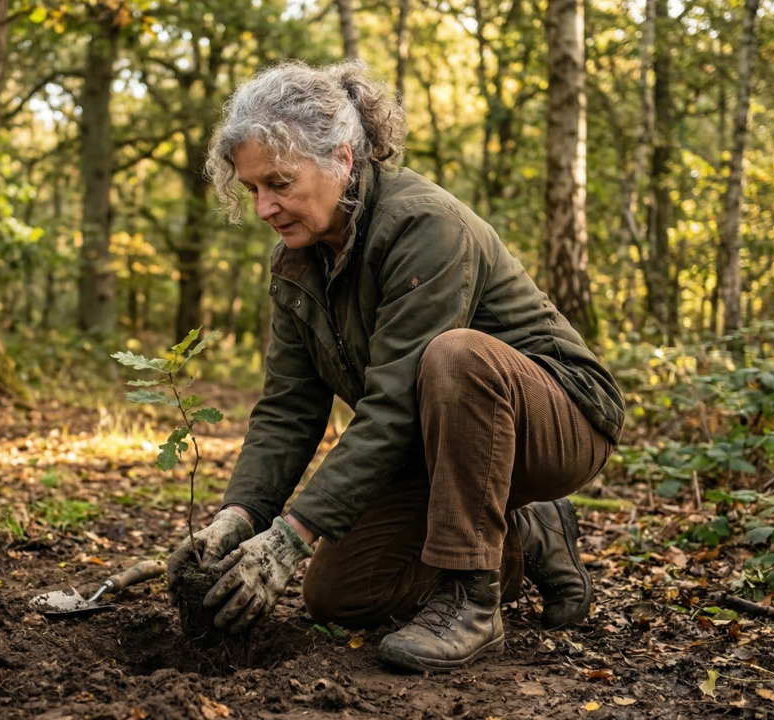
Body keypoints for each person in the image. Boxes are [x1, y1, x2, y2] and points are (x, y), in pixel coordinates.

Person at [166, 60, 624, 673]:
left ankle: (472, 599)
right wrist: (240, 517)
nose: (265, 208)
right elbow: (287, 410)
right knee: (338, 595)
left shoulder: (422, 225)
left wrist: (289, 538)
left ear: (343, 160)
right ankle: (519, 536)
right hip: (436, 446)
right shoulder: (297, 263)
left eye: (279, 182)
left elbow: (393, 405)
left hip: (560, 419)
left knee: (455, 355)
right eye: (253, 189)